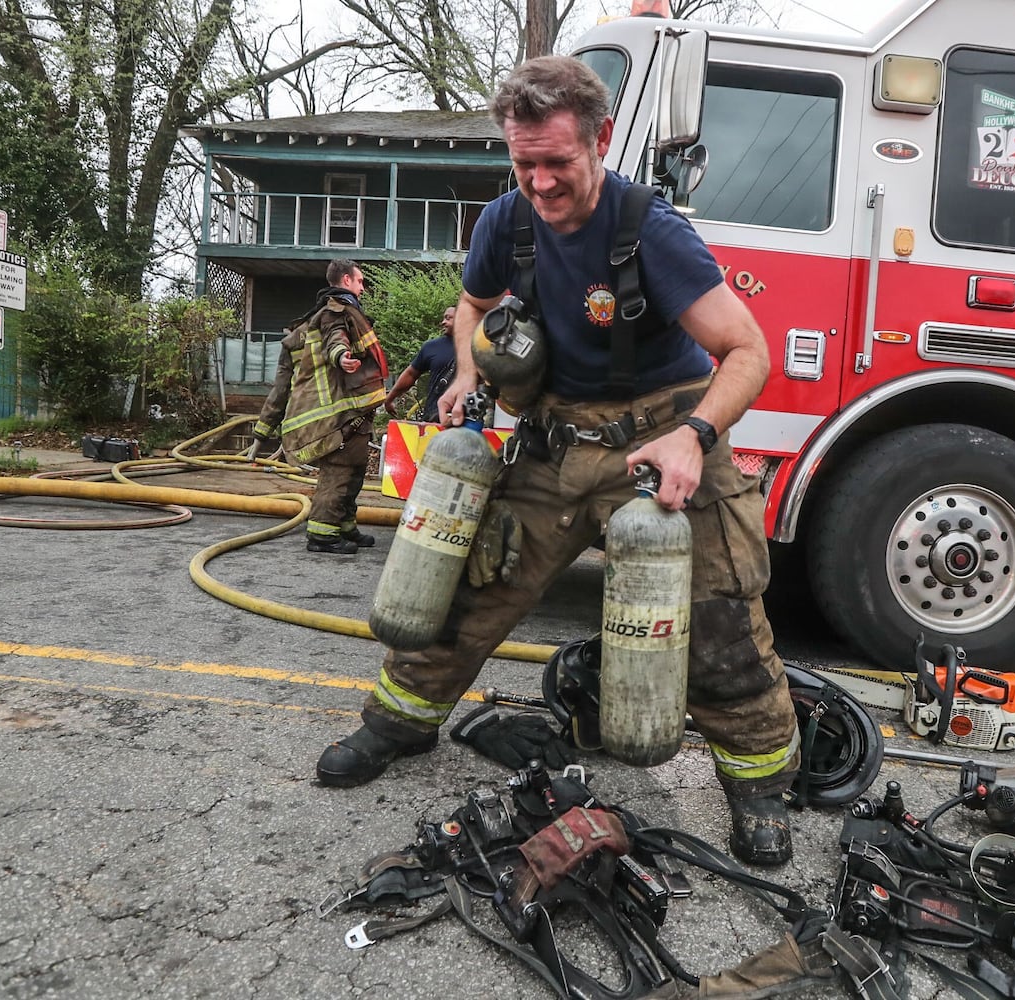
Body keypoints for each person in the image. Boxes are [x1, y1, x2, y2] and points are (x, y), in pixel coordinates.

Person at [316, 57, 800, 866]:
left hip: (665, 439)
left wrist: (697, 438)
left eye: (557, 163)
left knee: (720, 622)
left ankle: (758, 786)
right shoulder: (505, 223)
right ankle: (396, 722)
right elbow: (474, 300)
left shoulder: (652, 229)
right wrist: (468, 373)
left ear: (601, 140)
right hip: (556, 443)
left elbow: (748, 349)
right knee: (469, 583)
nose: (539, 183)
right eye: (524, 163)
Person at [250, 259, 388, 555]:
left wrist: (263, 431)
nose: (363, 288)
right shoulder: (334, 312)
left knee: (356, 469)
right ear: (347, 280)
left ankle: (344, 525)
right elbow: (335, 340)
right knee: (339, 472)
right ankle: (323, 535)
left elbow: (280, 389)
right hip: (337, 416)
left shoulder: (303, 328)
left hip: (349, 414)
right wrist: (342, 357)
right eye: (360, 282)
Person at [383, 306, 459, 423]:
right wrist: (390, 398)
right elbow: (411, 374)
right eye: (444, 318)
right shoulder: (432, 347)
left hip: (468, 419)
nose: (443, 322)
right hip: (435, 418)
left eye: (448, 318)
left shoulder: (477, 347)